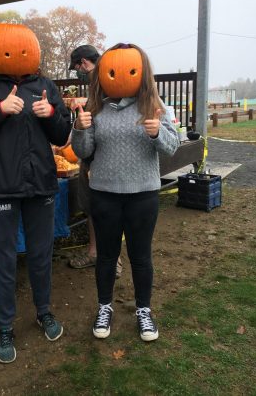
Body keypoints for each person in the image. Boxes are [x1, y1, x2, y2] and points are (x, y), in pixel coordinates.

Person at [0, 23, 71, 364]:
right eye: (9, 49)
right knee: (4, 259)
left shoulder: (45, 86)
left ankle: (44, 311)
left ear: (33, 52)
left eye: (24, 49)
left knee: (40, 254)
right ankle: (4, 326)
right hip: (1, 186)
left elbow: (63, 131)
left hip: (40, 185)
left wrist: (51, 113)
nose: (17, 54)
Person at [71, 43, 179, 341]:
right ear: (104, 74)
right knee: (106, 256)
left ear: (141, 73)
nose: (120, 75)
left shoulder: (154, 107)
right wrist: (79, 128)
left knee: (141, 256)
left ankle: (144, 310)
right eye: (112, 71)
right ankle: (104, 307)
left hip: (142, 195)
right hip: (104, 195)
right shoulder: (96, 108)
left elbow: (171, 148)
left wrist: (157, 132)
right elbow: (83, 151)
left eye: (130, 70)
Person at [67, 45, 123, 278]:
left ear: (83, 63)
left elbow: (109, 108)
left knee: (110, 208)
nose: (78, 72)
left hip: (106, 153)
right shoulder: (94, 83)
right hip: (89, 153)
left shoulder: (110, 75)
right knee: (91, 206)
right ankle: (94, 252)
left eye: (77, 68)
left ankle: (114, 258)